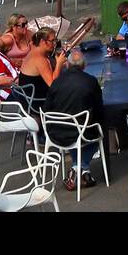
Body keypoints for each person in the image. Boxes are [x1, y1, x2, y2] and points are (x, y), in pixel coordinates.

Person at [44, 50, 105, 191]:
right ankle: (81, 168)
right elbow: (99, 109)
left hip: (56, 131)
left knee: (79, 128)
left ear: (67, 65)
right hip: (79, 133)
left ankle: (79, 170)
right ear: (84, 65)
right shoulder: (90, 81)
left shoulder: (56, 82)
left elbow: (47, 108)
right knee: (98, 130)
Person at [17, 27, 62, 103]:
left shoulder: (33, 52)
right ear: (43, 41)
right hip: (37, 103)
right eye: (52, 41)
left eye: (55, 40)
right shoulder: (40, 59)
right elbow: (53, 85)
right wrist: (59, 64)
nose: (55, 44)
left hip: (26, 99)